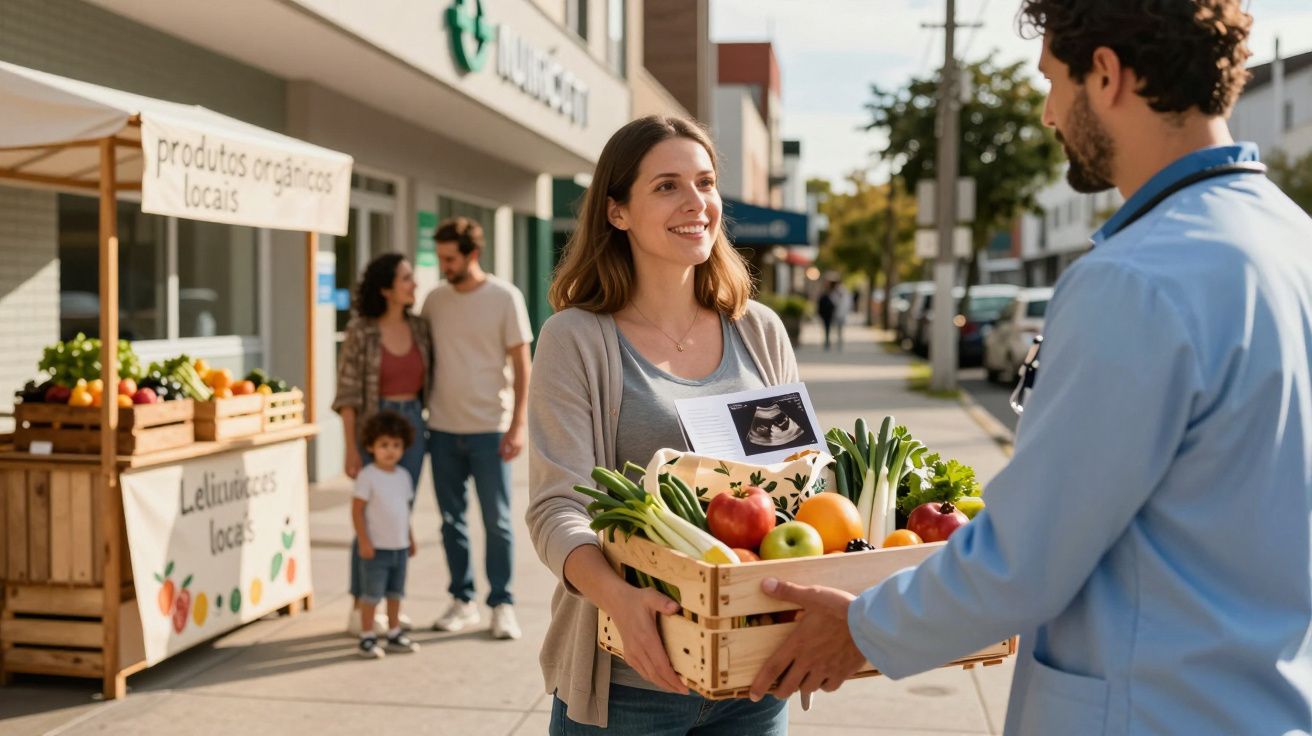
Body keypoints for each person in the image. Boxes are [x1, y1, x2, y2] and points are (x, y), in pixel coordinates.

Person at [747, 2, 1312, 733]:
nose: (1049, 114)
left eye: (1053, 82)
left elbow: (1025, 557)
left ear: (1105, 74)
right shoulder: (1295, 244)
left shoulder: (1135, 278)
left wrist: (861, 625)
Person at [527, 114, 796, 733]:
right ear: (617, 211)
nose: (696, 203)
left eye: (704, 182)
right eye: (667, 186)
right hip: (631, 681)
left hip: (753, 676)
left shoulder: (757, 332)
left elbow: (795, 490)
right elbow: (556, 509)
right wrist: (621, 600)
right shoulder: (576, 340)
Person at [420, 217, 533, 640]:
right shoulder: (434, 301)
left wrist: (518, 424)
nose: (443, 265)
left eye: (449, 258)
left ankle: (502, 604)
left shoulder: (505, 297)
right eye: (440, 258)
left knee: (498, 521)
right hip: (444, 429)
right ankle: (462, 600)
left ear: (472, 254)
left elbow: (523, 365)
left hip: (490, 428)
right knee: (451, 521)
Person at [333, 253, 432, 636]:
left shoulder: (421, 328)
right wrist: (350, 447)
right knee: (369, 518)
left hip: (412, 429)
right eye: (407, 278)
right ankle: (361, 604)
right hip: (374, 427)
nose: (414, 284)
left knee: (397, 516)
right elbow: (348, 393)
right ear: (387, 288)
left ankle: (390, 603)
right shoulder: (362, 330)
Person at [351, 410, 421, 659]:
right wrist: (364, 540)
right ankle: (367, 636)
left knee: (395, 594)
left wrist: (410, 538)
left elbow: (404, 511)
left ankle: (394, 633)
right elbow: (357, 511)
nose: (390, 450)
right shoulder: (368, 476)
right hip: (376, 549)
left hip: (399, 548)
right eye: (383, 445)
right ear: (370, 446)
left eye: (396, 445)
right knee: (371, 595)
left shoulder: (403, 477)